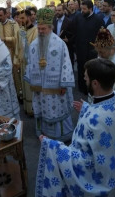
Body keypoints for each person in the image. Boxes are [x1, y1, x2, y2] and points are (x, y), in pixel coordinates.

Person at [36, 58, 115, 197]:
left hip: (103, 181)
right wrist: (88, 109)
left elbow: (85, 163)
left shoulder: (93, 120)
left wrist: (52, 146)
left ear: (95, 83)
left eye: (86, 78)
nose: (84, 79)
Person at [25, 8, 75, 141]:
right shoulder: (34, 45)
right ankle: (43, 134)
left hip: (57, 89)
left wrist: (64, 84)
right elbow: (30, 62)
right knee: (42, 109)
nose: (41, 31)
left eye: (43, 29)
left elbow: (66, 64)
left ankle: (61, 135)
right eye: (39, 29)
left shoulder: (60, 44)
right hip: (40, 88)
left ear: (50, 27)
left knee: (58, 110)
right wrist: (32, 80)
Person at [73, 0, 104, 94]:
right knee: (81, 69)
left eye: (84, 9)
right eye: (81, 8)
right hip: (80, 50)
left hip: (92, 52)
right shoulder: (78, 17)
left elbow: (101, 36)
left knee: (91, 71)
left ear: (90, 9)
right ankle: (82, 88)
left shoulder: (98, 19)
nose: (82, 11)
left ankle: (91, 90)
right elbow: (76, 33)